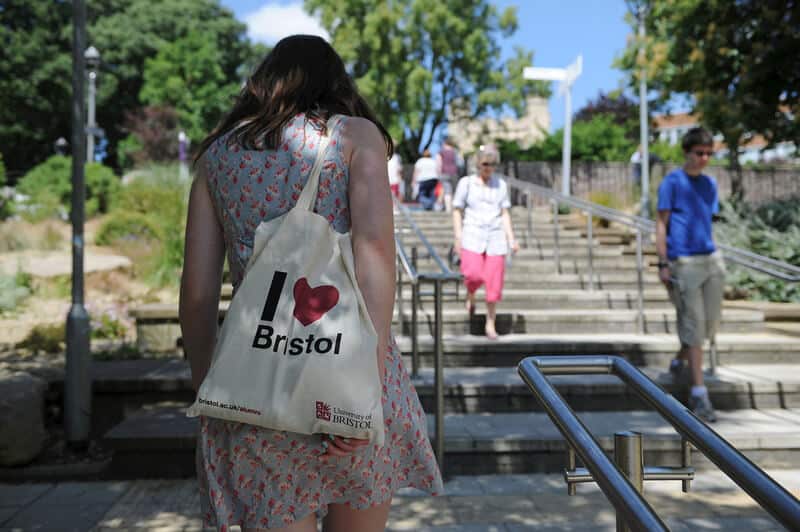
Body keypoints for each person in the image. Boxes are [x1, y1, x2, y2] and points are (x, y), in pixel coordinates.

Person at [180, 34, 442, 531]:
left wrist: (212, 389)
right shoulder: (355, 137)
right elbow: (375, 258)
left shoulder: (216, 159)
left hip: (254, 389)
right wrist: (369, 388)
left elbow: (196, 295)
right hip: (346, 377)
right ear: (335, 85)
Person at [655, 127, 725, 423]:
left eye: (709, 153)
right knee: (694, 325)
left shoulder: (710, 184)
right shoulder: (672, 183)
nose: (705, 158)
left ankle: (679, 360)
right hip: (683, 261)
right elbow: (660, 225)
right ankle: (699, 393)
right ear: (687, 151)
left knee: (709, 326)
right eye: (700, 153)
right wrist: (662, 262)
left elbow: (707, 219)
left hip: (711, 259)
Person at [452, 145, 519, 340]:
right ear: (478, 164)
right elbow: (457, 209)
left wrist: (511, 239)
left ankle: (491, 323)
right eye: (485, 163)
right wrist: (458, 235)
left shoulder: (501, 185)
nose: (489, 167)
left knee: (494, 283)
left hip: (496, 236)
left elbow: (504, 213)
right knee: (472, 274)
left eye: (492, 164)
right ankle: (471, 295)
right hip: (472, 233)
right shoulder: (466, 183)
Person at [435, 137, 461, 212]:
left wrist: (438, 173)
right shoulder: (455, 151)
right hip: (454, 172)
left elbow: (438, 163)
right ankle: (454, 207)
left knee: (447, 191)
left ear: (445, 143)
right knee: (454, 190)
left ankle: (448, 208)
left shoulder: (441, 151)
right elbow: (459, 162)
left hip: (444, 173)